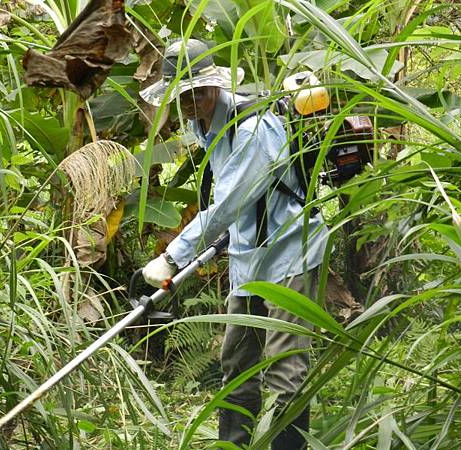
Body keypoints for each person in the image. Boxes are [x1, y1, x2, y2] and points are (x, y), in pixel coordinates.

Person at [139, 39, 329, 449]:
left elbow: (225, 204)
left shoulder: (254, 128)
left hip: (290, 251)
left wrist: (172, 256)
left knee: (284, 369)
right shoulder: (200, 123)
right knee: (237, 364)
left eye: (196, 92)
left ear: (214, 87)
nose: (189, 102)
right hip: (247, 257)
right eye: (181, 95)